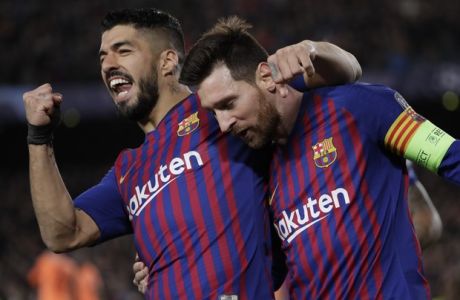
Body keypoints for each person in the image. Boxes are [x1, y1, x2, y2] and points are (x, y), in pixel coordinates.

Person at [23, 8, 361, 299]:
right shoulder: (129, 168)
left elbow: (347, 73)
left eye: (122, 51)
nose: (108, 64)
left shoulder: (222, 109)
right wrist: (39, 137)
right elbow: (63, 233)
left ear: (168, 60)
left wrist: (313, 50)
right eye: (102, 57)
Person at [178, 16, 460, 299]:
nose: (224, 124)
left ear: (266, 77)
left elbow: (451, 158)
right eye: (215, 113)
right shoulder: (260, 170)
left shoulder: (359, 108)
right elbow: (269, 272)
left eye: (228, 104)